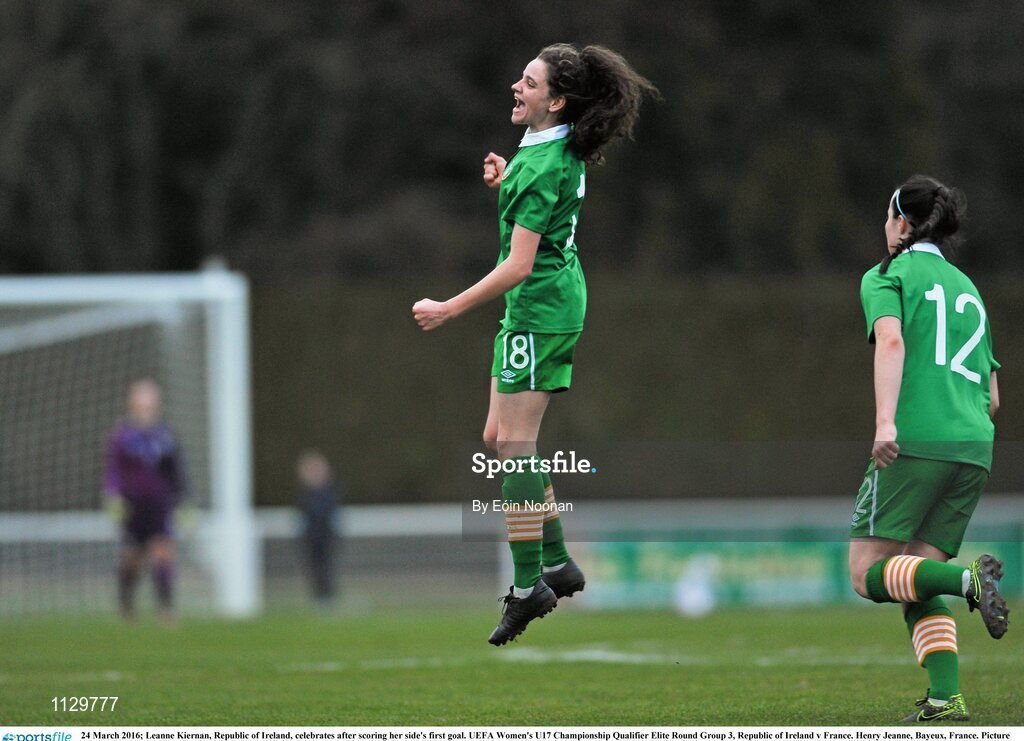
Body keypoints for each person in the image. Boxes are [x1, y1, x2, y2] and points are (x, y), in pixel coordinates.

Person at [412, 43, 658, 645]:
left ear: (557, 100)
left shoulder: (547, 159)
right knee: (499, 440)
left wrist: (449, 307)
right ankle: (556, 560)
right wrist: (506, 182)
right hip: (541, 305)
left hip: (540, 309)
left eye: (528, 82)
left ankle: (529, 585)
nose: (515, 88)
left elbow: (519, 264)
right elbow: (538, 224)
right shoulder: (548, 146)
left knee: (516, 444)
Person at [848, 175, 1009, 722]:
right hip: (974, 446)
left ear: (901, 221)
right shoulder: (968, 287)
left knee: (867, 574)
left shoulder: (887, 274)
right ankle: (946, 697)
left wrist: (886, 423)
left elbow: (891, 341)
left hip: (919, 437)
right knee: (913, 575)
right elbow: (992, 396)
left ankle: (967, 580)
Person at [104, 378, 188, 622]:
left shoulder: (166, 435)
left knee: (163, 551)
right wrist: (113, 495)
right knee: (132, 557)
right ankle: (126, 604)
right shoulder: (122, 435)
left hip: (159, 503)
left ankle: (166, 608)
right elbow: (114, 469)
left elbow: (177, 472)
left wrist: (183, 501)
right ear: (133, 403)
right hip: (133, 504)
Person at [295, 450, 341, 606]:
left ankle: (328, 597)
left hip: (326, 536)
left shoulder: (330, 491)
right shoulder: (304, 493)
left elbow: (328, 512)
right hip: (310, 537)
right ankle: (318, 598)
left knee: (327, 567)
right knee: (313, 568)